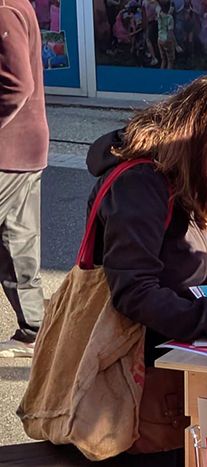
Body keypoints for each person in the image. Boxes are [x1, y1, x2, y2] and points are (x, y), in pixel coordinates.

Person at [85, 75, 207, 373]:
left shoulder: (200, 175)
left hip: (188, 349)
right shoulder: (140, 183)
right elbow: (134, 291)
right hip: (139, 360)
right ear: (193, 136)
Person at [0, 0, 49, 358]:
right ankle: (33, 329)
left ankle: (34, 328)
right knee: (17, 241)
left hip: (9, 146)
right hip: (25, 144)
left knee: (17, 241)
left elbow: (17, 84)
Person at [157, 0, 177, 69]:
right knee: (170, 61)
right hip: (167, 40)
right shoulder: (170, 18)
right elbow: (170, 32)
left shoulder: (159, 14)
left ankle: (160, 76)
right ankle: (168, 77)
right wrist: (176, 45)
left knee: (163, 60)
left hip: (159, 39)